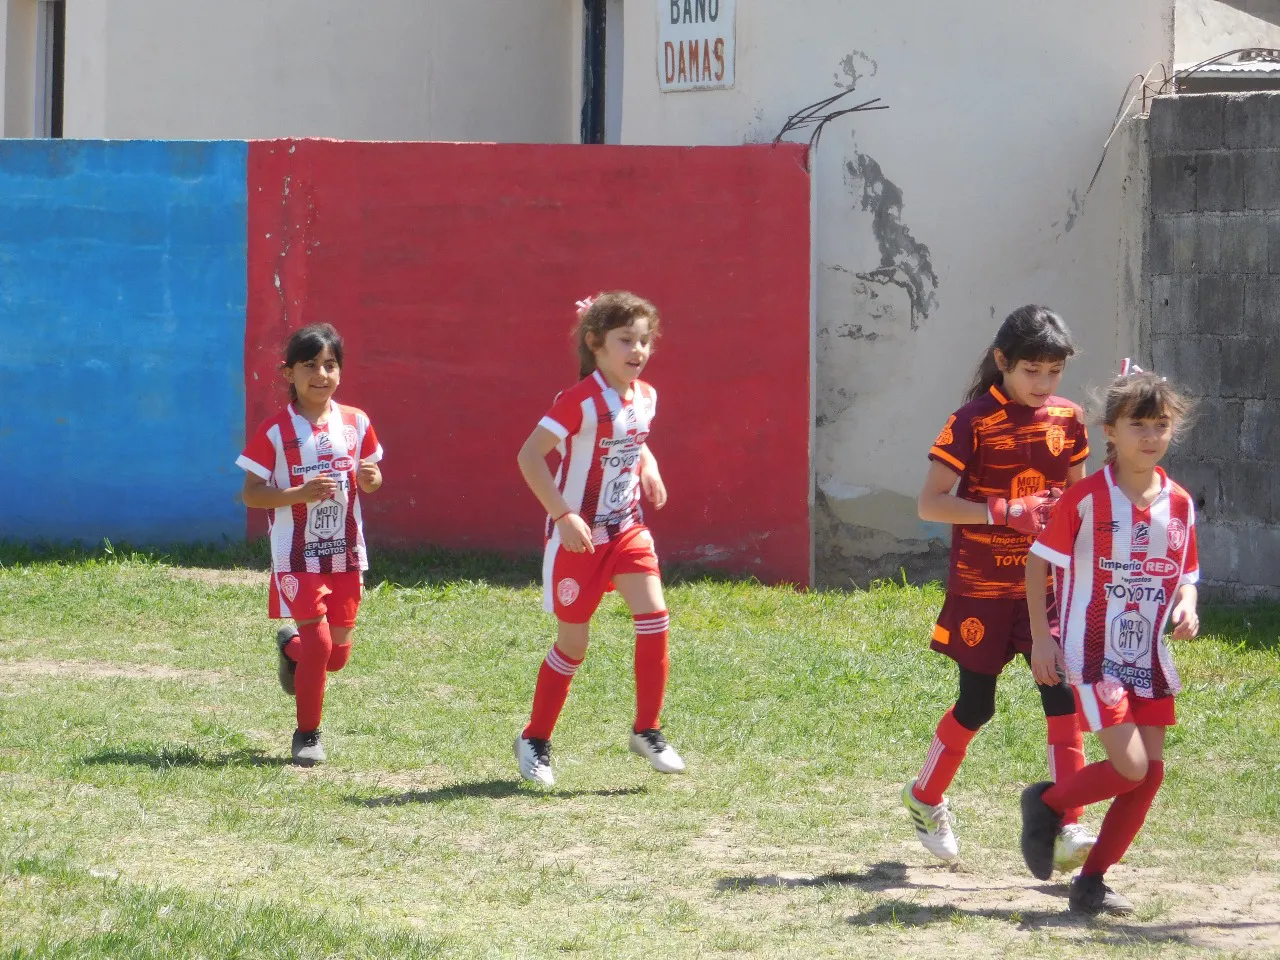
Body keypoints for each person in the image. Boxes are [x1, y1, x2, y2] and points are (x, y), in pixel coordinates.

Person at [901, 305, 1096, 870]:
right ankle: (925, 796)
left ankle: (1068, 826)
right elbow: (930, 503)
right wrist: (1003, 511)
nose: (1043, 383)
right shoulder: (971, 420)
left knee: (1063, 702)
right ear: (1002, 361)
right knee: (976, 705)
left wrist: (1068, 519)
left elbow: (1076, 501)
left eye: (1054, 372)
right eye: (1031, 370)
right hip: (982, 588)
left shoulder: (1070, 420)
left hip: (1049, 591)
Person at [1020, 364, 1198, 916]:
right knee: (1131, 766)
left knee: (1150, 772)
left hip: (1149, 654)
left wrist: (1188, 605)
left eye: (1160, 425)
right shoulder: (1086, 500)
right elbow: (1037, 563)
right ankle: (1047, 803)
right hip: (1093, 652)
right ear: (1110, 433)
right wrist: (1041, 639)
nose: (1150, 437)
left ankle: (1092, 880)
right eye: (1138, 424)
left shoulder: (1181, 503)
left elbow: (1186, 570)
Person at [513, 291, 683, 786]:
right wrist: (563, 515)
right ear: (596, 345)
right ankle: (535, 739)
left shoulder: (646, 395)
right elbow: (529, 457)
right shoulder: (579, 401)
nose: (638, 350)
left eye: (644, 340)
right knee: (573, 644)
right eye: (625, 340)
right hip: (578, 540)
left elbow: (637, 439)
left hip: (627, 528)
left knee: (654, 617)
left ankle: (647, 729)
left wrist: (649, 468)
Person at [236, 323, 383, 766]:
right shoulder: (276, 431)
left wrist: (371, 479)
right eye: (310, 366)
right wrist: (298, 494)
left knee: (334, 657)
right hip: (296, 554)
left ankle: (290, 649)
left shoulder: (357, 423)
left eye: (330, 365)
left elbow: (373, 475)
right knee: (319, 647)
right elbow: (251, 493)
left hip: (346, 552)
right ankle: (308, 735)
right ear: (289, 373)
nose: (321, 375)